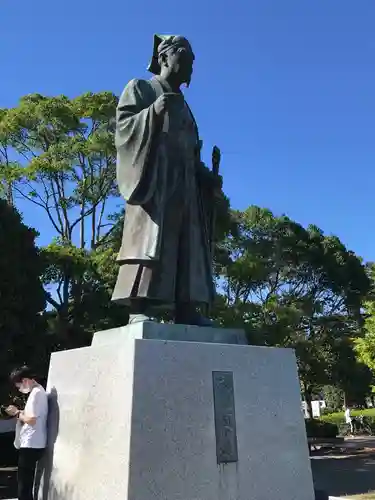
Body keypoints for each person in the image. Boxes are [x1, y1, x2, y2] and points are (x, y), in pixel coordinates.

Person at [112, 34, 221, 326]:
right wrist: (154, 112)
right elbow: (123, 129)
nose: (189, 67)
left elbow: (190, 152)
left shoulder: (185, 107)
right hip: (154, 181)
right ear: (164, 58)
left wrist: (205, 176)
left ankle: (186, 308)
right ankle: (140, 306)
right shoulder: (141, 88)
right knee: (151, 241)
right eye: (183, 59)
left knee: (187, 244)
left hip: (185, 185)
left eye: (192, 63)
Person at [5, 366, 48, 500]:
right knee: (25, 483)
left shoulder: (36, 394)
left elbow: (31, 420)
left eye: (19, 386)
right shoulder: (38, 392)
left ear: (25, 381)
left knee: (24, 485)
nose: (19, 389)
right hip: (33, 443)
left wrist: (17, 413)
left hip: (31, 444)